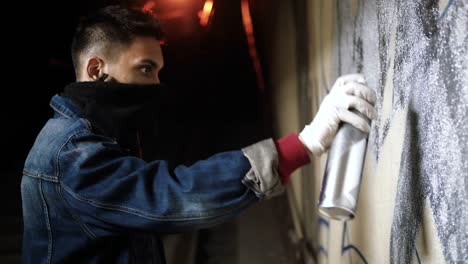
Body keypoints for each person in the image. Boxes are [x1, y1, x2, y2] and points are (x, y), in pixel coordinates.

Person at [20, 5, 376, 264]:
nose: (156, 85)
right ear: (97, 69)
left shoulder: (99, 135)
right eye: (145, 69)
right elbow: (172, 195)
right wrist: (304, 144)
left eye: (158, 71)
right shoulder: (71, 156)